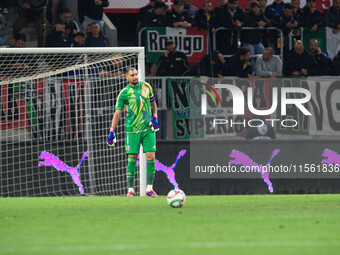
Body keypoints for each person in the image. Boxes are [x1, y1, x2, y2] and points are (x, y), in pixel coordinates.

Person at [107, 67, 159, 197]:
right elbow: (117, 114)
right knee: (132, 159)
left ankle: (149, 189)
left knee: (151, 157)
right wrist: (112, 130)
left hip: (148, 129)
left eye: (136, 74)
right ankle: (130, 190)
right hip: (132, 130)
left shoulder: (147, 87)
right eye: (132, 75)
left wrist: (155, 117)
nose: (135, 77)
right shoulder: (124, 93)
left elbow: (154, 104)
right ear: (127, 77)